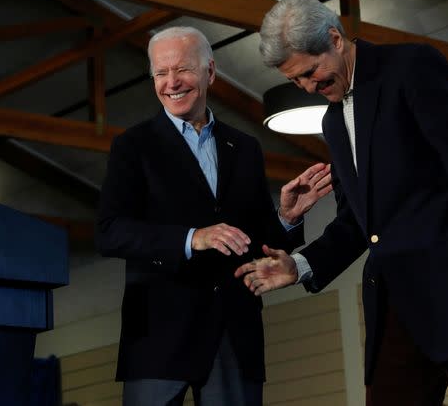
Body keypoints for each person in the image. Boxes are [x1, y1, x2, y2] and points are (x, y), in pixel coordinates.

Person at [236, 0, 448, 406]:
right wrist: (302, 265)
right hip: (396, 305)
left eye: (311, 72)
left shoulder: (412, 68)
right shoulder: (332, 121)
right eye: (296, 81)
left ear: (335, 39)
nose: (309, 87)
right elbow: (358, 223)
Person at [96, 26, 332, 406]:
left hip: (233, 335)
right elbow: (110, 232)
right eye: (161, 73)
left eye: (183, 70)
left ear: (209, 72)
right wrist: (193, 238)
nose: (171, 82)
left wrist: (286, 218)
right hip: (159, 337)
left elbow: (253, 242)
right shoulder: (132, 147)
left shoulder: (245, 148)